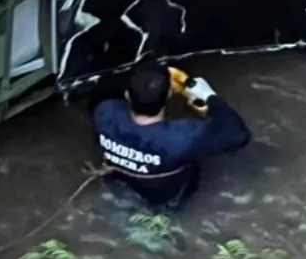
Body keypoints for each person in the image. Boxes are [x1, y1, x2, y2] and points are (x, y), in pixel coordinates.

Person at [93, 60, 251, 209]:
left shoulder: (105, 112)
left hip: (118, 191)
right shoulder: (183, 137)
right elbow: (238, 135)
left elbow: (105, 95)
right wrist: (210, 97)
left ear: (127, 95)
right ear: (169, 95)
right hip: (167, 201)